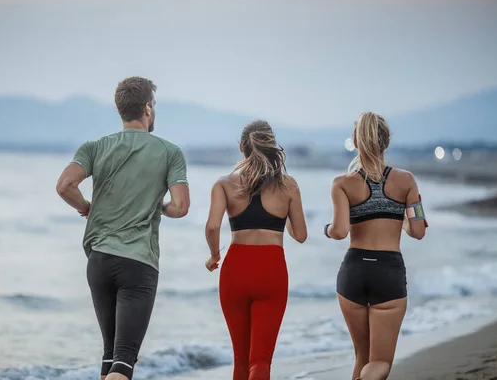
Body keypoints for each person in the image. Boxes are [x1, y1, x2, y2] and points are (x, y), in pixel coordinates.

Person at [55, 77, 190, 380]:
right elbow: (181, 207)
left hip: (99, 260)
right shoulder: (170, 152)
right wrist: (158, 205)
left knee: (109, 356)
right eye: (153, 105)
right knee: (125, 361)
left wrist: (86, 207)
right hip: (138, 262)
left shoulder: (95, 147)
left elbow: (64, 185)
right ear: (147, 108)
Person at [324, 112, 427, 380]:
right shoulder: (407, 181)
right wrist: (401, 218)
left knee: (362, 358)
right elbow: (418, 230)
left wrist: (327, 230)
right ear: (387, 142)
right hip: (388, 272)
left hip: (353, 271)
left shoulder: (342, 184)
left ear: (356, 142)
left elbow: (339, 231)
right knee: (379, 362)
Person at [204, 120, 308, 380]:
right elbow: (301, 235)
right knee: (260, 360)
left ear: (241, 147)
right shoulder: (288, 185)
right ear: (272, 147)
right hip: (271, 271)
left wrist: (214, 255)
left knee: (240, 359)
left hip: (235, 271)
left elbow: (212, 227)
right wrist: (280, 218)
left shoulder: (224, 184)